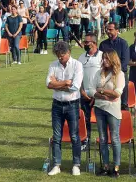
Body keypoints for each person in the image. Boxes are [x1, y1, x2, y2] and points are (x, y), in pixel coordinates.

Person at [46, 41, 83, 176]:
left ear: (68, 53)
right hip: (57, 104)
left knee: (74, 136)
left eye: (62, 55)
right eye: (58, 55)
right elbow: (48, 84)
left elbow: (75, 87)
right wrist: (65, 82)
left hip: (72, 104)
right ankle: (56, 165)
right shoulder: (53, 65)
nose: (59, 58)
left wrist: (57, 83)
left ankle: (76, 164)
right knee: (56, 136)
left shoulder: (77, 65)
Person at [89, 49, 125, 177]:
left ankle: (116, 167)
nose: (104, 61)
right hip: (99, 108)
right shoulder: (99, 73)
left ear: (113, 60)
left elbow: (117, 93)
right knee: (103, 138)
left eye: (107, 58)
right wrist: (99, 93)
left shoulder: (119, 74)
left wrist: (101, 91)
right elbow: (90, 90)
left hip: (113, 109)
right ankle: (105, 166)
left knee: (114, 138)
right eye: (103, 58)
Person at [78, 32, 102, 150]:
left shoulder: (102, 56)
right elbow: (78, 76)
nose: (85, 44)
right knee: (85, 118)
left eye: (87, 42)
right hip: (84, 94)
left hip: (99, 94)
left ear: (94, 43)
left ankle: (104, 141)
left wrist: (97, 93)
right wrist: (81, 91)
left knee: (102, 119)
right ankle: (85, 140)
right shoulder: (81, 57)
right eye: (84, 42)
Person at [99, 22, 130, 110]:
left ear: (117, 30)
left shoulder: (123, 43)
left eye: (111, 29)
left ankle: (124, 109)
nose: (108, 31)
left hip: (120, 74)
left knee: (123, 101)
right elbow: (101, 60)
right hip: (106, 74)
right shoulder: (103, 44)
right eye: (107, 29)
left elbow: (125, 60)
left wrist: (115, 70)